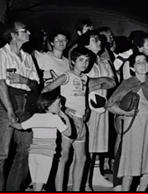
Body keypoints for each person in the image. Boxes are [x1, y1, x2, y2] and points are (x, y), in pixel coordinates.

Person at [44, 46, 107, 191]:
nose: (84, 63)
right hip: (68, 119)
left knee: (82, 158)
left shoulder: (85, 78)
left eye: (87, 60)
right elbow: (46, 90)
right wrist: (62, 109)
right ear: (73, 61)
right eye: (81, 60)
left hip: (81, 121)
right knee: (64, 156)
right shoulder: (66, 76)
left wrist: (87, 112)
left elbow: (82, 97)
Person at [0, 21, 40, 192]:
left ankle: (13, 189)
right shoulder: (0, 55)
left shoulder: (28, 57)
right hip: (7, 102)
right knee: (1, 152)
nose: (29, 33)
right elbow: (0, 83)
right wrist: (9, 109)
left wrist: (25, 80)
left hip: (27, 105)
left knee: (26, 149)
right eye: (25, 31)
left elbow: (35, 85)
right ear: (13, 34)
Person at [108, 52, 148, 191]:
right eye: (138, 62)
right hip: (134, 126)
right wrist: (125, 112)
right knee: (130, 164)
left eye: (144, 61)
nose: (143, 64)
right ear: (132, 68)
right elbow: (110, 105)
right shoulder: (128, 83)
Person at [11, 90, 71, 192]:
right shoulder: (55, 119)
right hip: (46, 155)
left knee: (36, 184)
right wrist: (67, 118)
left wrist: (11, 123)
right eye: (58, 104)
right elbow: (69, 133)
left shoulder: (35, 117)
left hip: (33, 154)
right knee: (39, 186)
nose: (61, 106)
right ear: (48, 106)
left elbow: (20, 126)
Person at [80, 31, 117, 188]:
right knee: (86, 143)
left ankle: (95, 175)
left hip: (101, 105)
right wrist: (103, 80)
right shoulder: (83, 61)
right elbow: (83, 83)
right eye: (95, 40)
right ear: (86, 43)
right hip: (87, 106)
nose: (99, 42)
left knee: (97, 143)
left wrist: (96, 83)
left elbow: (113, 82)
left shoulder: (104, 62)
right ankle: (83, 180)